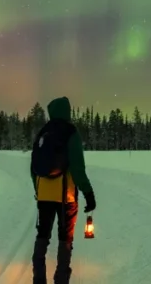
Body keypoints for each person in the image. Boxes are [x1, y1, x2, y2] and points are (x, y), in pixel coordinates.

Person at [30, 96, 96, 284]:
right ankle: (61, 280)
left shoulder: (43, 132)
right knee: (65, 240)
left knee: (42, 236)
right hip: (65, 197)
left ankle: (39, 279)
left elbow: (33, 168)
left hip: (44, 196)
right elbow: (77, 168)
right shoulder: (71, 132)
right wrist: (88, 193)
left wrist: (38, 190)